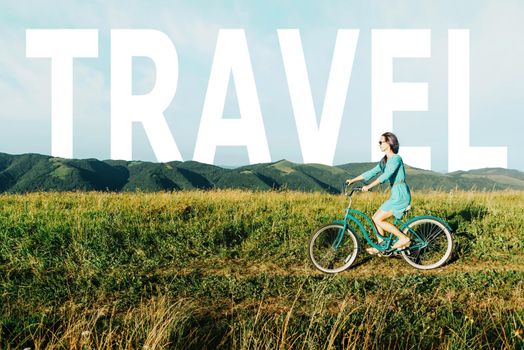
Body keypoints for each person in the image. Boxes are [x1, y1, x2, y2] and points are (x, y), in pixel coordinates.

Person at [346, 132, 411, 254]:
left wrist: (369, 186)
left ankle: (403, 238)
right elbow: (371, 172)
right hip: (395, 194)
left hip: (401, 194)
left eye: (381, 142)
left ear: (389, 143)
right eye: (379, 142)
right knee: (375, 218)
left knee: (379, 219)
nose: (379, 144)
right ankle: (381, 246)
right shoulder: (385, 161)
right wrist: (353, 180)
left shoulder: (396, 159)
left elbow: (386, 175)